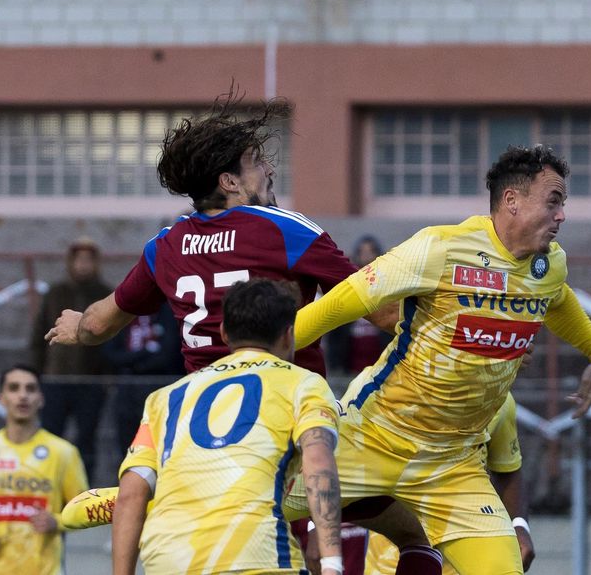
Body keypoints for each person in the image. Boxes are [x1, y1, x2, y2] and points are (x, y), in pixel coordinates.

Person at [45, 95, 438, 574]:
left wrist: (75, 328)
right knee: (401, 523)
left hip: (193, 423)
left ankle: (151, 491)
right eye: (257, 162)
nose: (269, 169)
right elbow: (379, 311)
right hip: (286, 412)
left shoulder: (165, 245)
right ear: (229, 181)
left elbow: (98, 324)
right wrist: (452, 335)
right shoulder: (286, 230)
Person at [285, 144, 591, 574]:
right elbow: (341, 303)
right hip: (371, 436)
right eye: (554, 201)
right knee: (246, 502)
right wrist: (254, 361)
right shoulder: (439, 248)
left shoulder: (549, 266)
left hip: (453, 465)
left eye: (563, 204)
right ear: (511, 202)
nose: (562, 215)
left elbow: (557, 298)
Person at [110, 278, 345, 575]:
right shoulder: (304, 384)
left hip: (169, 557)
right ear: (288, 336)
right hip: (254, 553)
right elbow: (318, 460)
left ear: (223, 333)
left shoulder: (165, 398)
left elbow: (131, 493)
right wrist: (332, 562)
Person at [363, 392, 536, 574]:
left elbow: (508, 469)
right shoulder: (387, 388)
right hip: (390, 564)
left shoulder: (499, 399)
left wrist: (519, 524)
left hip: (464, 562)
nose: (526, 361)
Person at [0, 365, 89, 575]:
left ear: (41, 399)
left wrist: (57, 521)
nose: (23, 396)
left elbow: (84, 508)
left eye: (30, 389)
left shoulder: (63, 452)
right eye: (14, 388)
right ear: (2, 398)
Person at [28, 236, 111, 481]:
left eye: (88, 259)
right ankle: (48, 486)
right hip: (55, 380)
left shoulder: (105, 294)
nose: (83, 265)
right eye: (79, 259)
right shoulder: (55, 293)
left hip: (91, 382)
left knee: (87, 440)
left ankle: (83, 491)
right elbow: (38, 336)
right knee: (50, 437)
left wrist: (106, 377)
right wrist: (37, 376)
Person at [101, 301, 184, 461]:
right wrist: (146, 352)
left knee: (162, 443)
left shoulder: (168, 310)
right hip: (127, 389)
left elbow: (168, 353)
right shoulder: (121, 310)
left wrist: (133, 362)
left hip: (161, 386)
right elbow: (111, 355)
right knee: (127, 445)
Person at [326, 235, 391, 375]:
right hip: (350, 370)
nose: (366, 255)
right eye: (362, 251)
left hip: (382, 370)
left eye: (370, 251)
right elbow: (335, 335)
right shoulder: (347, 287)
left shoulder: (388, 290)